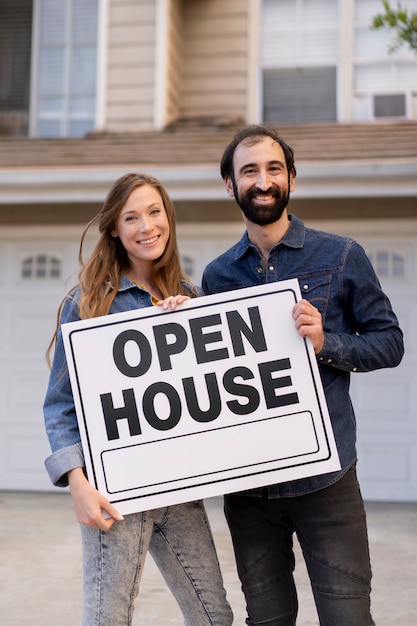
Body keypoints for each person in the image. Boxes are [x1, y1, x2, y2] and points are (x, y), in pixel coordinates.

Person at [201, 125, 404, 626]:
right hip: (250, 489)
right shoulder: (217, 275)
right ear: (230, 184)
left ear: (291, 177)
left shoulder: (341, 255)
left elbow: (390, 343)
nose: (262, 181)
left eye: (273, 169)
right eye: (249, 171)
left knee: (348, 619)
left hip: (327, 480)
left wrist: (325, 343)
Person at [43, 172, 233, 626]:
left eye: (154, 212)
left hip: (179, 492)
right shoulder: (88, 303)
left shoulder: (190, 297)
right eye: (131, 217)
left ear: (168, 218)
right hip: (115, 494)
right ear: (114, 228)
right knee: (109, 619)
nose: (146, 226)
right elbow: (60, 404)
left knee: (214, 617)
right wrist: (77, 485)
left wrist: (191, 321)